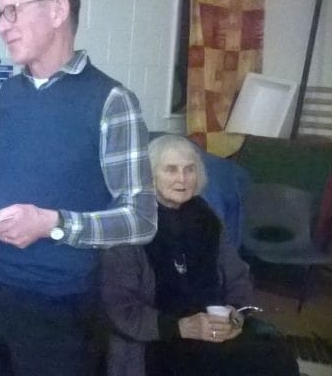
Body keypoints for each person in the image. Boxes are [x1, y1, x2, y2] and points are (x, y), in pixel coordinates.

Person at [0, 0, 157, 376]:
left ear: (57, 9)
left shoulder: (112, 102)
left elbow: (141, 219)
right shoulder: (7, 94)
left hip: (59, 304)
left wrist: (53, 223)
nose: (2, 25)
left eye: (12, 10)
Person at [100, 134, 300, 376]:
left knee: (276, 355)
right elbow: (119, 310)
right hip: (159, 337)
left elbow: (238, 275)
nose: (182, 179)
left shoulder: (205, 216)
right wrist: (182, 327)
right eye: (171, 170)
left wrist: (236, 313)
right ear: (149, 176)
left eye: (189, 169)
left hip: (213, 327)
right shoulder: (127, 227)